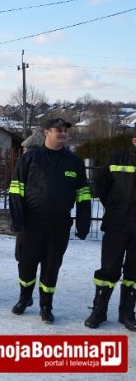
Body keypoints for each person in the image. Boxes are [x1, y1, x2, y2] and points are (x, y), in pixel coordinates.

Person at [9, 118, 91, 324]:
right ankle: (25, 298)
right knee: (26, 263)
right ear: (46, 132)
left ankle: (46, 305)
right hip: (31, 222)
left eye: (65, 131)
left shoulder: (74, 162)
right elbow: (16, 190)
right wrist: (17, 218)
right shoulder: (30, 158)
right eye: (58, 130)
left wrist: (83, 223)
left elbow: (83, 194)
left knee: (51, 265)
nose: (63, 134)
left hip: (59, 224)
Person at [84, 126, 136, 331]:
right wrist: (115, 208)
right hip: (116, 224)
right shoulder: (117, 160)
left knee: (134, 271)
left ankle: (127, 313)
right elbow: (101, 188)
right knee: (108, 269)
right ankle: (99, 310)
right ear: (134, 141)